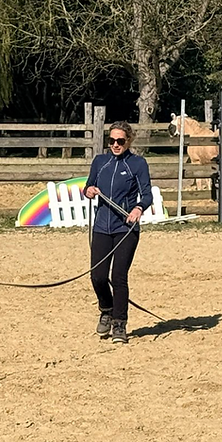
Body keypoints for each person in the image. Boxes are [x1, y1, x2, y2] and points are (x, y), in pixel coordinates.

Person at [83, 121, 152, 344]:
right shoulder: (100, 162)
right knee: (98, 276)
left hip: (126, 228)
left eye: (120, 141)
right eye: (111, 140)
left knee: (118, 277)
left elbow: (147, 194)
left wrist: (139, 208)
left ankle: (120, 323)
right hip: (102, 227)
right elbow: (88, 186)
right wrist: (90, 191)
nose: (115, 144)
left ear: (128, 141)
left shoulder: (138, 164)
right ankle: (106, 309)